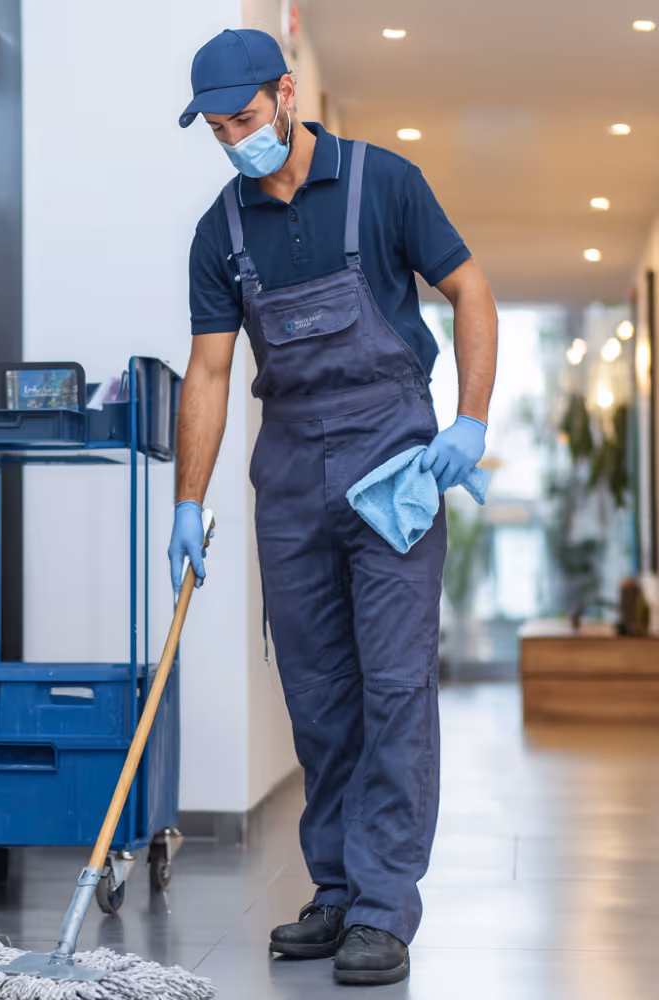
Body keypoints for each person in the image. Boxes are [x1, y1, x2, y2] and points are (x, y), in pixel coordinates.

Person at [169, 29, 497, 987]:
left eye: (243, 118)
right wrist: (188, 501)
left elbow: (470, 291)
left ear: (285, 91)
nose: (234, 141)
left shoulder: (383, 183)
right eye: (218, 129)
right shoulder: (218, 233)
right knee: (317, 694)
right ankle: (339, 890)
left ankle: (386, 906)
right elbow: (212, 369)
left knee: (395, 687)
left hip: (391, 464)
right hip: (291, 478)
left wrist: (470, 423)